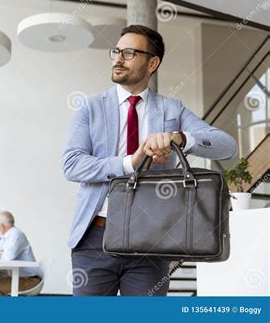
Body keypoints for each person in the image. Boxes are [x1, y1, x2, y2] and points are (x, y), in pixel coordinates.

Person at [63, 24, 237, 296]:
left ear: (152, 63)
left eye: (130, 53)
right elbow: (72, 164)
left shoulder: (171, 109)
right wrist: (128, 163)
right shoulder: (90, 107)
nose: (118, 58)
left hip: (152, 241)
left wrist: (180, 138)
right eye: (117, 51)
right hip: (94, 238)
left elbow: (227, 146)